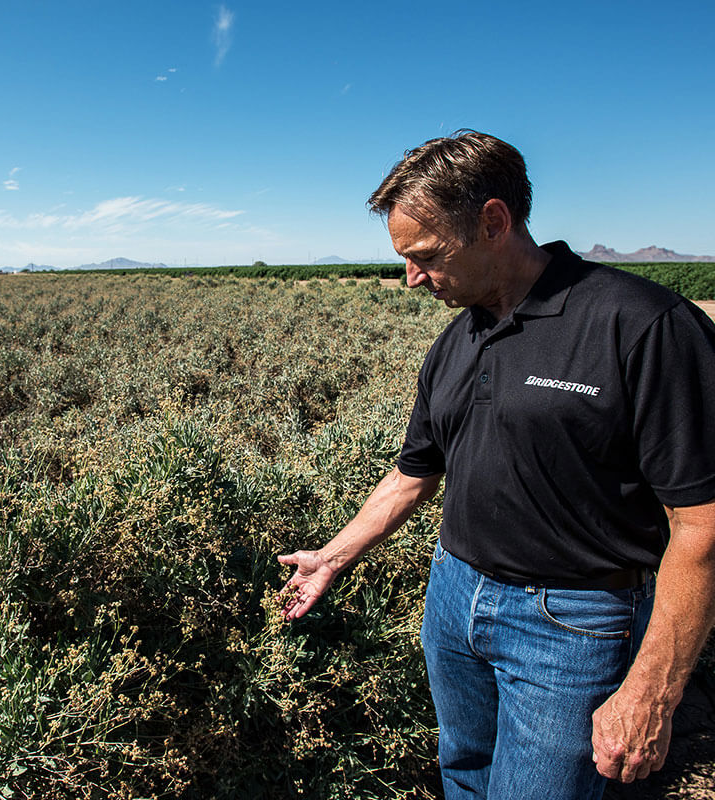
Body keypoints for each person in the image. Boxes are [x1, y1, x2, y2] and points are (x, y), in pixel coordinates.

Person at [277, 130, 715, 799]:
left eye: (424, 257)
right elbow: (413, 473)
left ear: (492, 222)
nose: (410, 280)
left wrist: (654, 688)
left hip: (574, 624)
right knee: (467, 779)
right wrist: (332, 557)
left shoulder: (642, 324)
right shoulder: (457, 341)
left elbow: (701, 520)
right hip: (454, 598)